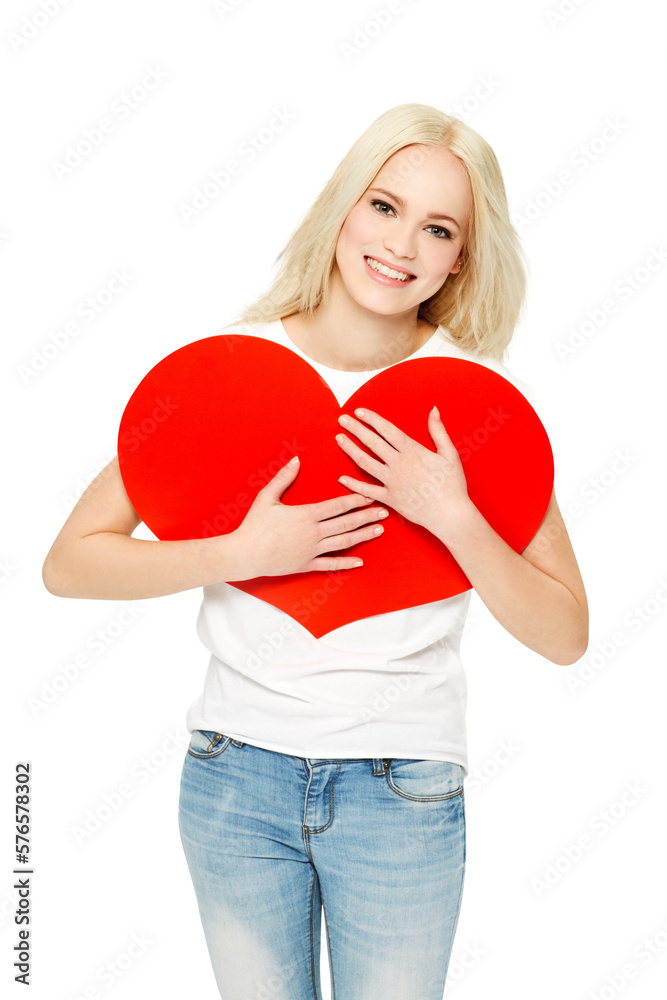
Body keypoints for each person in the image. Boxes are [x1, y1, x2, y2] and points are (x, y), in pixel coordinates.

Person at [42, 103, 589, 999]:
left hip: (402, 793)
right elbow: (70, 563)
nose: (401, 244)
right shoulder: (229, 373)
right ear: (341, 207)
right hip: (232, 780)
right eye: (383, 206)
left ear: (460, 257)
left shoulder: (470, 402)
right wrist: (239, 550)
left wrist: (452, 514)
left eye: (437, 227)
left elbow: (564, 631)